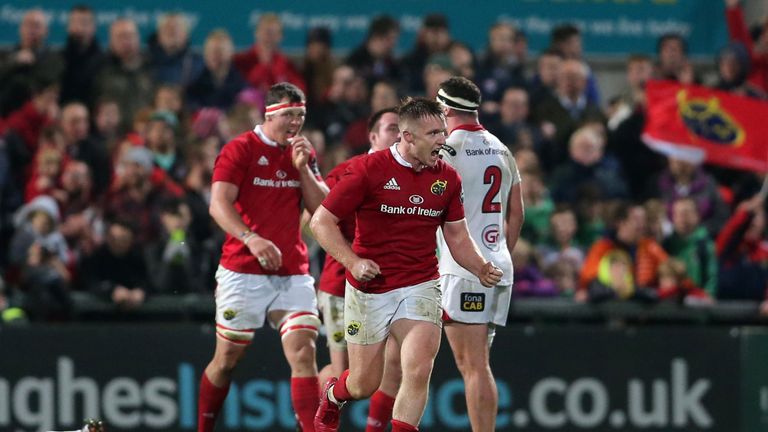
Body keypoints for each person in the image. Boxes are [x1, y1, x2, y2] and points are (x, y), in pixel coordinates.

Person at [310, 97, 503, 432]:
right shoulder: (368, 171)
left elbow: (457, 237)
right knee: (363, 383)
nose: (443, 140)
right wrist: (353, 262)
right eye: (434, 133)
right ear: (408, 137)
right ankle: (333, 395)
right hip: (371, 288)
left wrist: (480, 266)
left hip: (421, 283)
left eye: (443, 131)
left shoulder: (447, 178)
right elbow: (320, 223)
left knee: (417, 369)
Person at [197, 82, 328, 432]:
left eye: (300, 115)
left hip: (292, 272)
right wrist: (250, 238)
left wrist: (302, 168)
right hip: (243, 270)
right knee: (227, 360)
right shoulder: (239, 149)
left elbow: (322, 210)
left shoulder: (303, 152)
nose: (295, 122)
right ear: (269, 114)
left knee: (304, 352)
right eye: (288, 114)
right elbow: (218, 204)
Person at [436, 76, 524, 432]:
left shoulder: (447, 150)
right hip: (497, 263)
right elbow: (517, 212)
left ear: (444, 109)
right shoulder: (501, 148)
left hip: (464, 268)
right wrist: (500, 254)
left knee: (472, 365)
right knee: (477, 362)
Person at [315, 107, 402, 431]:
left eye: (402, 129)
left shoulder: (416, 176)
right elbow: (315, 224)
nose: (399, 135)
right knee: (346, 377)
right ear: (373, 136)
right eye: (391, 128)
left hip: (396, 285)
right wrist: (352, 258)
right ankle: (320, 416)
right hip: (343, 284)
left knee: (394, 369)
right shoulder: (347, 172)